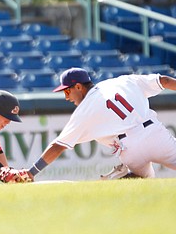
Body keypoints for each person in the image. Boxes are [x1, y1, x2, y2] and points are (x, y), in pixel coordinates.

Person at [25, 67, 176, 181]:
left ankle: (119, 180)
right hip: (153, 133)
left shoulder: (84, 110)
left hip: (129, 149)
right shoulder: (122, 81)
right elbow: (164, 81)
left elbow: (58, 145)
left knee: (143, 180)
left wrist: (31, 172)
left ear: (78, 87)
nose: (66, 97)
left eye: (66, 91)